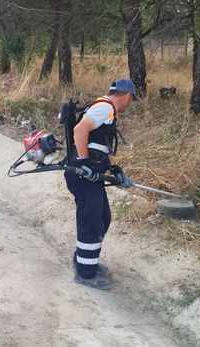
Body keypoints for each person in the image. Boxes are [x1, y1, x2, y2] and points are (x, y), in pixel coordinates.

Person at [65, 79, 138, 290]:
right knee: (91, 222)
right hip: (83, 175)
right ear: (127, 97)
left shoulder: (107, 111)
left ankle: (83, 259)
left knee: (103, 217)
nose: (129, 105)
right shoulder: (105, 108)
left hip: (91, 174)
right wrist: (84, 162)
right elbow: (80, 131)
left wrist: (115, 169)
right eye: (131, 101)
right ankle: (85, 274)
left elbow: (101, 147)